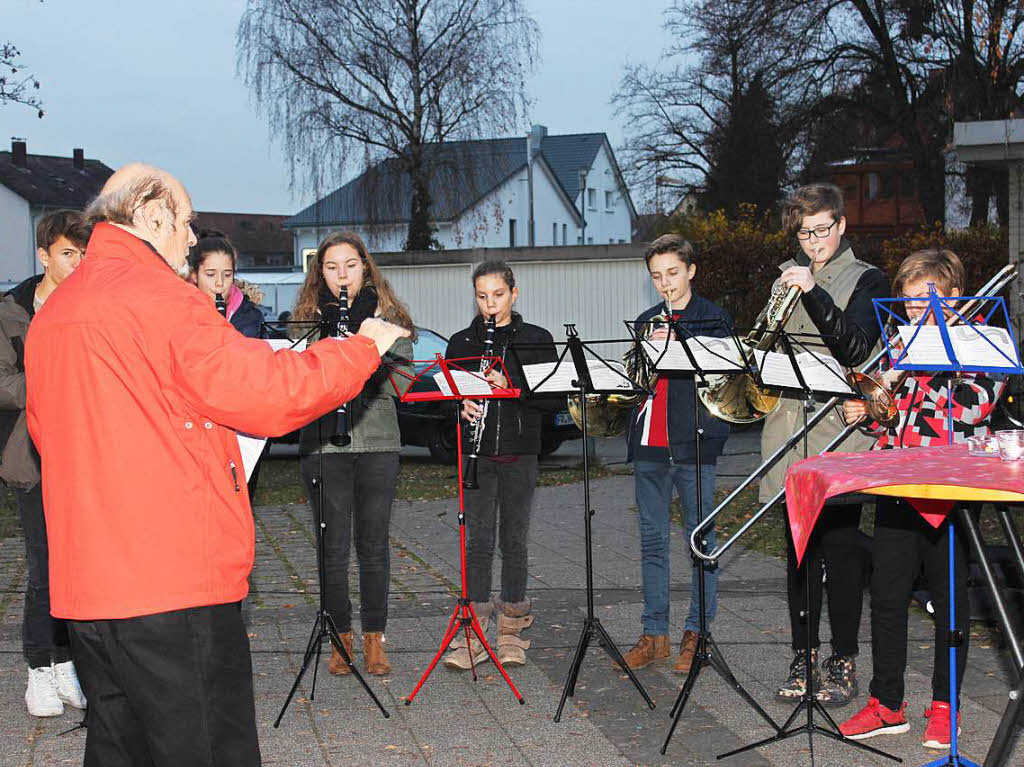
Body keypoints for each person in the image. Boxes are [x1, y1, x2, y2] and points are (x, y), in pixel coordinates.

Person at [24, 163, 408, 766]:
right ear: (151, 214)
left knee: (120, 749)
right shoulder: (162, 299)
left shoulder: (57, 312)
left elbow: (48, 434)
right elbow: (267, 390)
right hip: (171, 582)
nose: (192, 238)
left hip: (89, 588)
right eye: (187, 222)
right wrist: (362, 348)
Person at [838, 249, 1003, 749]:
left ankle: (944, 706)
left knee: (949, 601)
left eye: (925, 298)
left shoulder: (982, 342)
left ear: (954, 296)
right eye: (907, 300)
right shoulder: (900, 341)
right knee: (887, 597)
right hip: (898, 480)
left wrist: (919, 379)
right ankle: (887, 703)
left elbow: (975, 408)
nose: (913, 309)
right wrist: (867, 411)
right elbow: (890, 416)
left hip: (950, 483)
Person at [762, 182, 888, 706]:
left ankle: (842, 658)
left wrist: (812, 290)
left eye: (820, 230)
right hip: (789, 431)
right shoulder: (787, 280)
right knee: (798, 552)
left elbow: (857, 348)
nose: (811, 242)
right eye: (803, 233)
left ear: (840, 226)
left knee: (838, 548)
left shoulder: (868, 280)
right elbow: (766, 347)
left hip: (839, 435)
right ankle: (803, 653)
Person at [292, 231, 415, 676]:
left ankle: (374, 639)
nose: (341, 274)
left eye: (349, 264)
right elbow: (301, 383)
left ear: (365, 266)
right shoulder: (306, 319)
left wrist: (376, 341)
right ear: (319, 272)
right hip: (324, 444)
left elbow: (404, 382)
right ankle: (339, 637)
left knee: (374, 546)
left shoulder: (390, 315)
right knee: (332, 546)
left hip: (377, 440)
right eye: (331, 266)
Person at [621, 234, 732, 672]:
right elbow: (635, 382)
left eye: (672, 273)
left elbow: (724, 377)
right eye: (656, 276)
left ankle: (697, 633)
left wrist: (680, 344)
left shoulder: (714, 318)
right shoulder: (647, 319)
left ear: (690, 271)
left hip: (695, 443)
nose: (664, 283)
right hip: (649, 442)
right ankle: (655, 634)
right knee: (651, 542)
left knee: (700, 541)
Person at [442, 261, 558, 669]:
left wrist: (513, 389)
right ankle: (472, 632)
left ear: (514, 293)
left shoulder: (536, 340)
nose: (490, 304)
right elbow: (446, 400)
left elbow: (553, 400)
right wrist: (461, 406)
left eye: (498, 295)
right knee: (477, 542)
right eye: (482, 296)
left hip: (519, 452)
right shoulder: (461, 343)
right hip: (476, 456)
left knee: (514, 540)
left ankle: (511, 630)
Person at [1, 210, 90, 717]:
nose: (76, 264)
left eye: (82, 254)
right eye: (66, 254)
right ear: (43, 255)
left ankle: (64, 663)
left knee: (76, 567)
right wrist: (55, 379)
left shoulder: (92, 307)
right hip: (31, 459)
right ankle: (38, 668)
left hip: (84, 457)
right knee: (44, 569)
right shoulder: (10, 312)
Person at [188, 229, 265, 338]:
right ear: (194, 276)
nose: (220, 282)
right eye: (210, 274)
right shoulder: (181, 315)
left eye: (227, 275)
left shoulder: (252, 318)